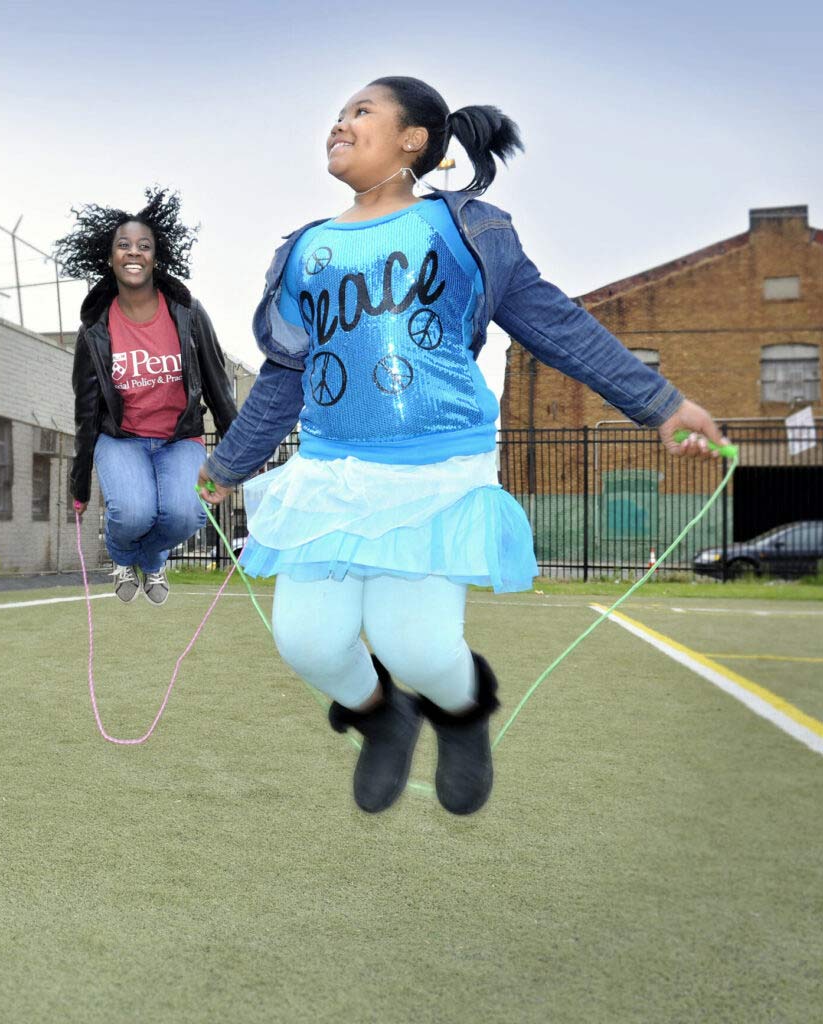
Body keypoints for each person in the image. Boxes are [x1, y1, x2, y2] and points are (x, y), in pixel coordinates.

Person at [198, 77, 727, 814]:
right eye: (337, 114)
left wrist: (660, 401)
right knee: (308, 644)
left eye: (361, 112)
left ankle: (461, 711)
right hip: (329, 474)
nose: (338, 123)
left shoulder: (465, 232)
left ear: (413, 140)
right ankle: (384, 716)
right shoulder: (304, 252)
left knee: (414, 644)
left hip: (436, 467)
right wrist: (225, 465)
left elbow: (554, 324)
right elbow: (285, 376)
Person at [57, 188, 237, 605]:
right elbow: (85, 412)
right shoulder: (94, 328)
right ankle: (123, 557)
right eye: (123, 245)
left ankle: (152, 559)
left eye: (144, 246)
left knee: (186, 513)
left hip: (179, 439)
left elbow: (217, 384)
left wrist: (237, 455)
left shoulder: (188, 312)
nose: (133, 252)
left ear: (157, 257)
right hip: (121, 439)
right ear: (109, 257)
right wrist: (79, 484)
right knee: (134, 512)